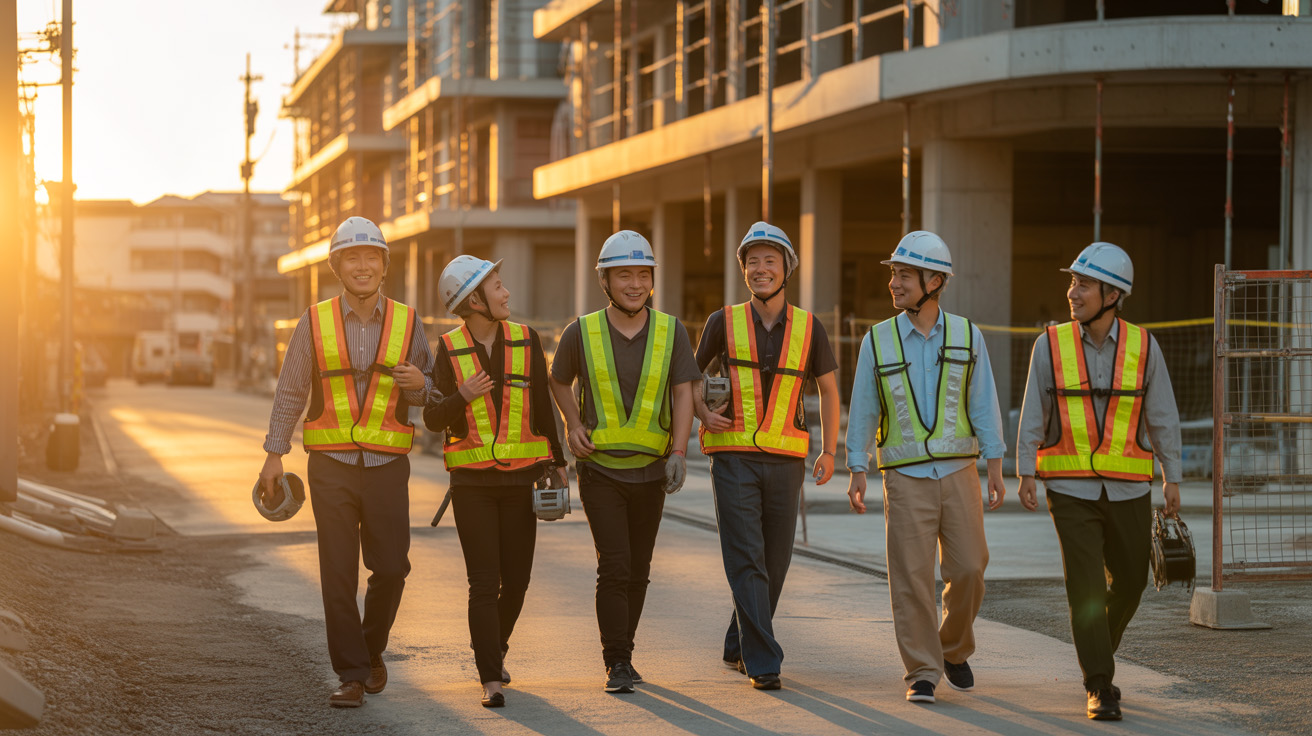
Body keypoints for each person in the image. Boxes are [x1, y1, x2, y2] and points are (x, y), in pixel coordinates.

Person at [258, 217, 433, 708]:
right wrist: (274, 454)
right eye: (352, 257)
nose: (362, 266)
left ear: (383, 265)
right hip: (330, 464)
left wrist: (421, 384)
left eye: (371, 257)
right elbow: (291, 389)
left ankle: (369, 648)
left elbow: (434, 392)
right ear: (337, 266)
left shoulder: (408, 322)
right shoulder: (314, 322)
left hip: (387, 465)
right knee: (337, 574)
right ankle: (352, 674)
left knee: (393, 568)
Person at [1015, 242, 1182, 721]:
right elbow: (1033, 411)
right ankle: (1099, 684)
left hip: (1130, 485)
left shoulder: (1144, 346)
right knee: (1084, 585)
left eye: (1082, 284)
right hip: (1068, 486)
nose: (1072, 292)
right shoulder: (1049, 344)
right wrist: (1026, 469)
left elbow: (1163, 415)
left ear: (1112, 294)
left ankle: (1096, 654)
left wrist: (1172, 475)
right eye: (1072, 282)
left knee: (1131, 580)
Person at [845, 230, 1007, 705]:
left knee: (971, 568)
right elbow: (863, 411)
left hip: (960, 473)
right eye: (893, 273)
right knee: (912, 576)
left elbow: (983, 403)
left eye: (904, 274)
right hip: (905, 476)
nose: (894, 283)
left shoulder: (966, 334)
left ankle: (952, 648)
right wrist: (857, 468)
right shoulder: (877, 340)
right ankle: (921, 669)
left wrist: (996, 465)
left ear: (934, 281)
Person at [549, 230, 698, 694]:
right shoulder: (582, 330)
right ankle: (616, 661)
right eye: (624, 274)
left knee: (639, 568)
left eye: (642, 274)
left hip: (652, 471)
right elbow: (558, 381)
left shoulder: (672, 330)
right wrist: (572, 423)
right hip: (601, 471)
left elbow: (682, 392)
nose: (634, 283)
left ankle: (624, 653)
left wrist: (678, 451)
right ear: (605, 280)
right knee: (614, 565)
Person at [693, 221, 840, 691]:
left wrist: (830, 450)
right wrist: (701, 412)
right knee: (746, 558)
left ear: (786, 268)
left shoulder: (809, 326)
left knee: (775, 562)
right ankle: (763, 660)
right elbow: (687, 381)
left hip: (788, 459)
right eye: (752, 261)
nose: (760, 269)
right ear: (744, 269)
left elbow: (831, 390)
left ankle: (739, 641)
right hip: (732, 456)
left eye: (769, 261)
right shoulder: (722, 321)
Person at [423, 255, 567, 709]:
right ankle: (491, 679)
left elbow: (544, 410)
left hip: (522, 480)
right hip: (472, 486)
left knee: (518, 581)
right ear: (474, 301)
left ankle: (491, 647)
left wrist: (558, 464)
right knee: (484, 582)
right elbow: (431, 418)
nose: (506, 293)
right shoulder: (447, 349)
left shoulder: (528, 341)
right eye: (497, 287)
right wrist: (460, 396)